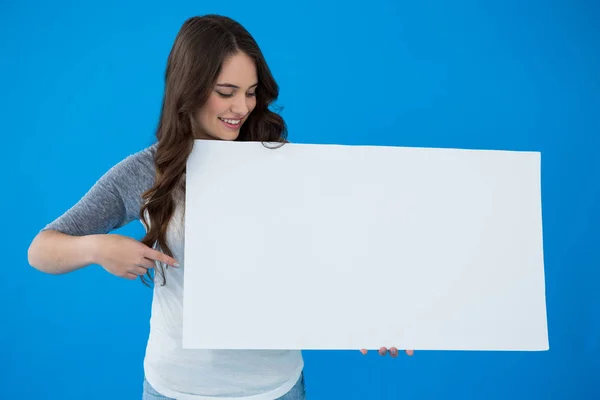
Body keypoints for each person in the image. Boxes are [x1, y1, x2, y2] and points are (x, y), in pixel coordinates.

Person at [27, 14, 413, 400]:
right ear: (188, 87)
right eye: (226, 92)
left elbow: (329, 253)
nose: (242, 107)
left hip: (274, 388)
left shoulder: (284, 164)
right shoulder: (147, 171)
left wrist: (370, 314)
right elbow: (41, 250)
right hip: (173, 389)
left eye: (251, 91)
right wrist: (96, 249)